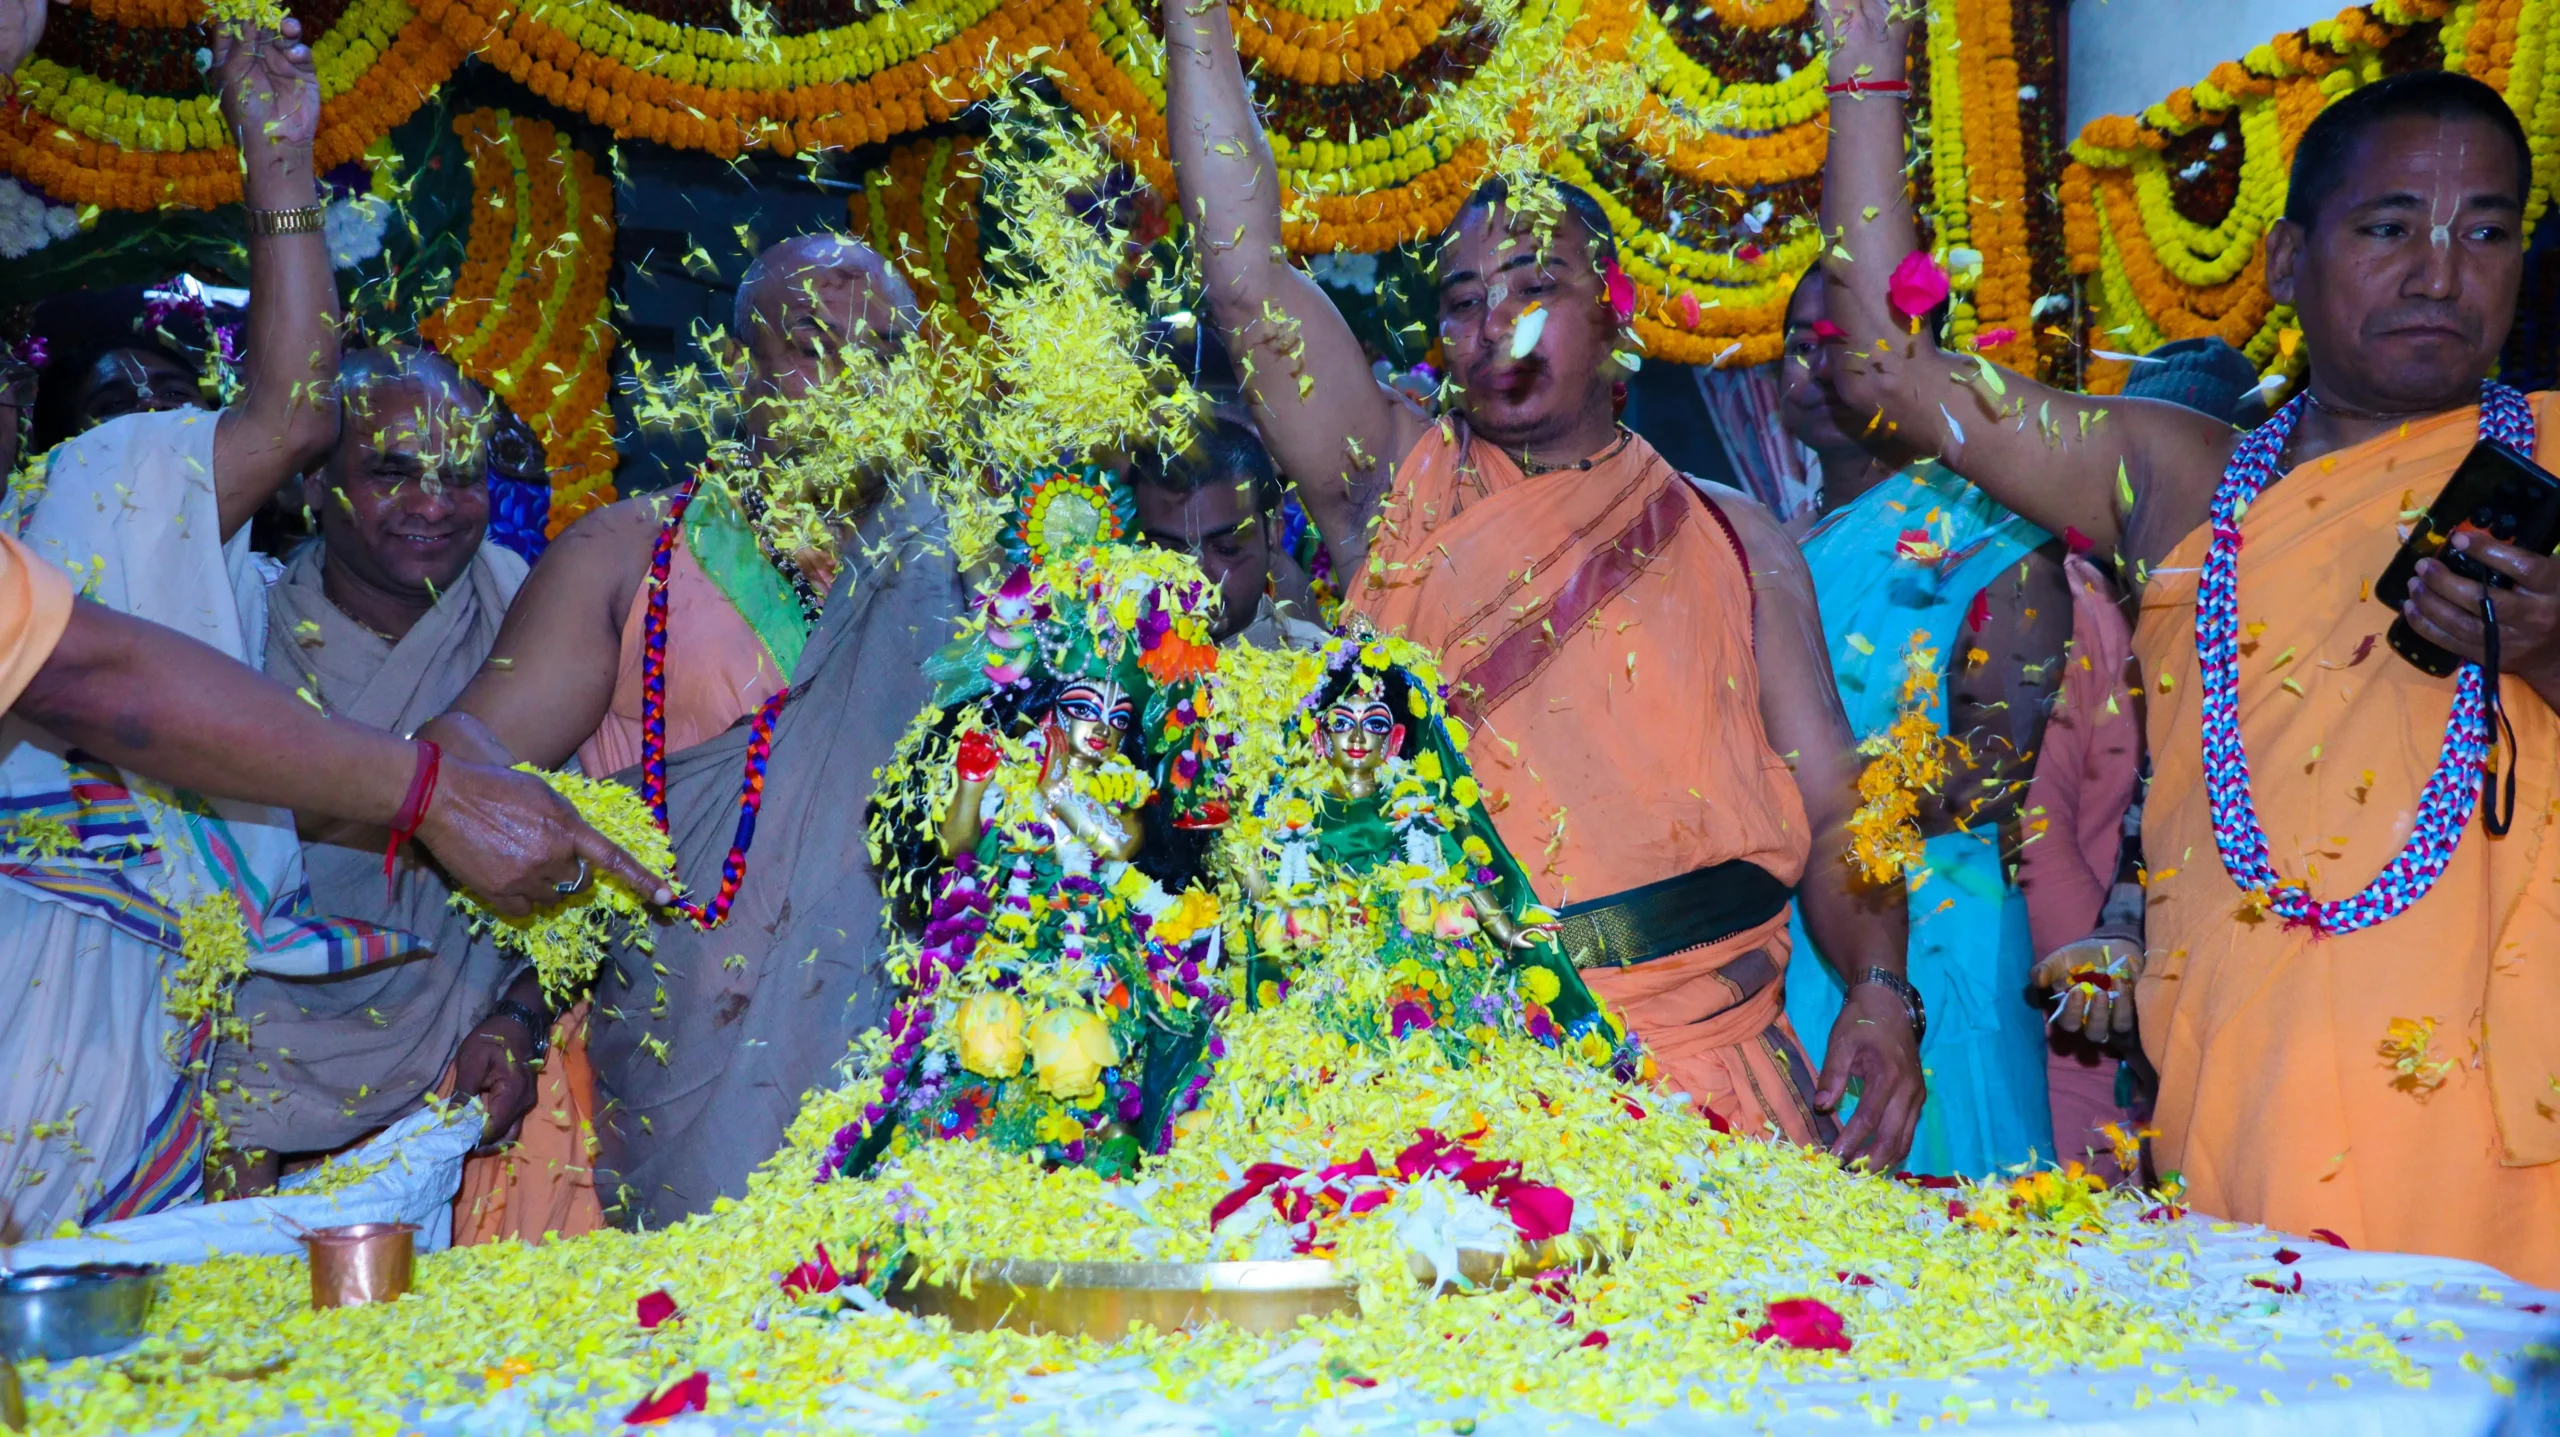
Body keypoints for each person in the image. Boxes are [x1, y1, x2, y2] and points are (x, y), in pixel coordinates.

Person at [1820, 0, 2558, 1279]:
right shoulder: (2176, 479)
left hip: (2504, 1122)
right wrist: (1865, 64)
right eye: (2389, 229)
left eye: (2483, 232)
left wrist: (2549, 646)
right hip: (2240, 1086)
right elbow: (1887, 366)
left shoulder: (2547, 456)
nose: (2441, 272)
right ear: (2283, 261)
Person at [1163, 0, 1924, 1169]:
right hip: (1467, 1077)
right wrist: (1196, 24)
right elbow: (1246, 279)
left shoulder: (1737, 540)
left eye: (1531, 287)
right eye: (1462, 301)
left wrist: (1878, 989)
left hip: (1715, 1074)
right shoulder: (1397, 495)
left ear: (1611, 310)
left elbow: (1833, 810)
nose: (1492, 326)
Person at [421, 233, 967, 1227]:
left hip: (924, 1067)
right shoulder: (631, 556)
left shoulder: (961, 569)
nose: (848, 382)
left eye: (880, 356)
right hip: (695, 1059)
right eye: (809, 346)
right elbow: (457, 761)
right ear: (734, 368)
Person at [208, 346, 556, 1207]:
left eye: (460, 472)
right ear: (312, 484)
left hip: (473, 1088)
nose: (433, 503)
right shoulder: (232, 635)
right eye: (391, 472)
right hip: (247, 1089)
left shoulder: (539, 623)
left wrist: (521, 1017)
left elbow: (602, 863)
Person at [1778, 272, 2070, 1175]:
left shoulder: (1995, 534)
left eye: (1849, 339)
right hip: (1794, 925)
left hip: (1936, 932)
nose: (1821, 364)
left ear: (1920, 361)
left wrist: (1788, 789)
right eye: (1800, 343)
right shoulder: (1775, 539)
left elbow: (1988, 772)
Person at [1130, 412, 1328, 649]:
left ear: (1274, 534)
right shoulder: (1100, 655)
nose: (1196, 576)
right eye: (1168, 552)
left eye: (1226, 548)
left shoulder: (1323, 671)